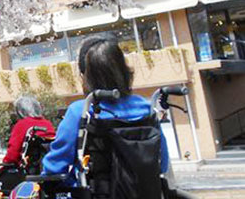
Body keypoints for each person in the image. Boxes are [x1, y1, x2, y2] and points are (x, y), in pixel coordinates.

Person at [42, 36, 170, 184]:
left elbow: (54, 168)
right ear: (124, 71)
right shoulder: (145, 107)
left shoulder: (81, 111)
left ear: (86, 75)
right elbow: (162, 163)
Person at [2, 96, 55, 166]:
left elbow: (13, 154)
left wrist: (6, 161)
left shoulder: (21, 124)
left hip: (30, 168)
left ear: (20, 111)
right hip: (50, 165)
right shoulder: (47, 123)